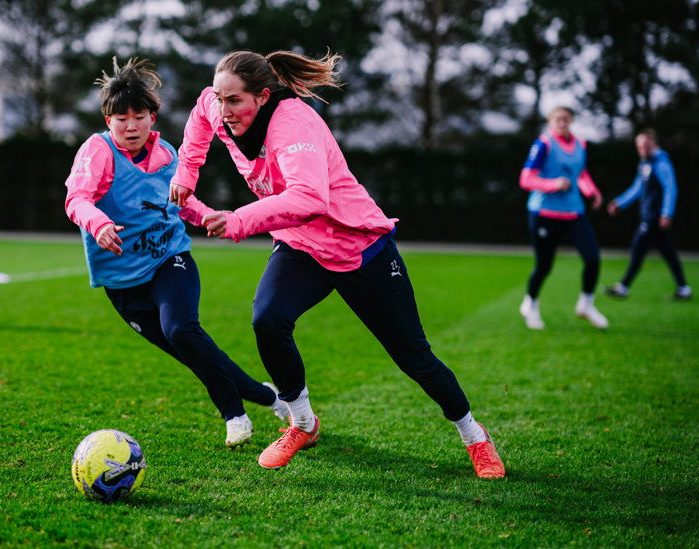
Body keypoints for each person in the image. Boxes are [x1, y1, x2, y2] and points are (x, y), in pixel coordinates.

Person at [168, 50, 505, 478]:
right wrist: (186, 173)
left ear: (263, 96)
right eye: (220, 97)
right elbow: (200, 118)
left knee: (414, 357)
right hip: (302, 247)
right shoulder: (218, 107)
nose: (224, 109)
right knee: (268, 320)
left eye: (234, 100)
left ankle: (474, 435)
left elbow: (309, 199)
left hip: (360, 247)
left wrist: (238, 220)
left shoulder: (293, 124)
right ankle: (303, 424)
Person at [64, 57, 289, 448]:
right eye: (121, 119)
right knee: (191, 351)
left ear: (154, 117)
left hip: (170, 258)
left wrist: (208, 217)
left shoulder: (168, 155)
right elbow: (76, 199)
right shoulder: (97, 152)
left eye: (139, 116)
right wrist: (98, 224)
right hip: (122, 281)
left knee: (182, 329)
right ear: (107, 121)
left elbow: (181, 202)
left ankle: (234, 414)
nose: (130, 126)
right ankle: (270, 396)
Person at [517, 106, 608, 330]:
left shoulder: (581, 144)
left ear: (571, 121)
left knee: (593, 258)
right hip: (544, 214)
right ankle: (531, 304)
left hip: (574, 212)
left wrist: (591, 192)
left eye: (565, 119)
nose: (561, 122)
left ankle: (586, 304)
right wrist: (553, 184)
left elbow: (581, 174)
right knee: (544, 266)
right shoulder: (543, 144)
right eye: (557, 119)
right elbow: (526, 179)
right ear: (550, 122)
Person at [604, 129, 691, 300]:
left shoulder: (661, 163)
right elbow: (637, 188)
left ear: (654, 144)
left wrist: (666, 213)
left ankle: (623, 287)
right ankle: (683, 288)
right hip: (649, 216)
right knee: (669, 253)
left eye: (646, 145)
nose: (642, 149)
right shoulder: (644, 164)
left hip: (655, 217)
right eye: (639, 146)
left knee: (638, 249)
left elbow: (670, 189)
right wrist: (620, 203)